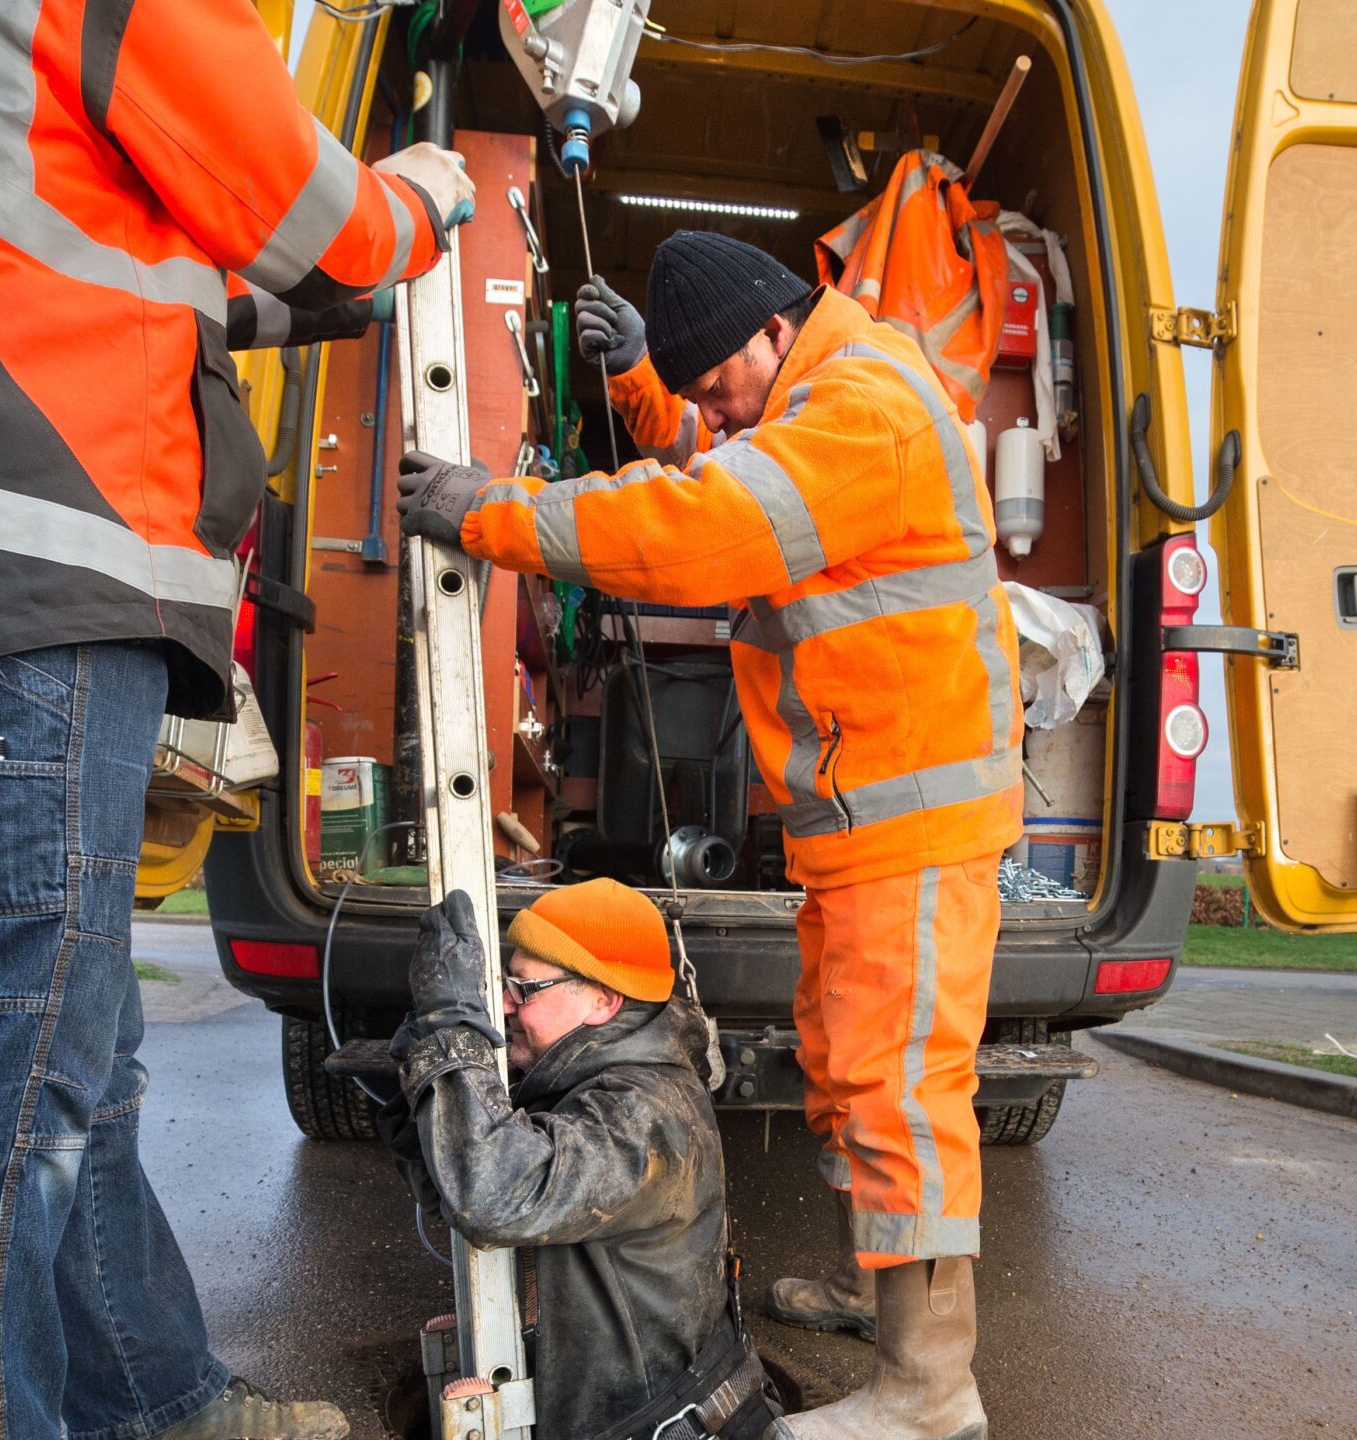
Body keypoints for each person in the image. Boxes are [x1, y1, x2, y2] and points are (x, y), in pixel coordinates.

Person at [0, 2, 475, 1436]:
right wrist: (429, 194)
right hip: (46, 567)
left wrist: (308, 285)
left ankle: (156, 1401)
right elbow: (328, 221)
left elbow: (154, 278)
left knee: (77, 1051)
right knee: (23, 1057)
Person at [398, 230, 1018, 1440]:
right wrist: (640, 385)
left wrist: (500, 516)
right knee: (849, 1070)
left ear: (771, 332)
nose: (708, 411)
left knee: (898, 1090)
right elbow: (721, 456)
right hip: (866, 820)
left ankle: (930, 1392)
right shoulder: (823, 389)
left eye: (715, 384)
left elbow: (706, 521)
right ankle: (883, 1295)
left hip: (914, 823)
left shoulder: (866, 405)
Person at [377, 883, 782, 1440]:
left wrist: (452, 1028)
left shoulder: (644, 1115)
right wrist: (421, 1058)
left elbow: (493, 1197)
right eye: (506, 985)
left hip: (644, 1424)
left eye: (527, 988)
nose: (507, 1005)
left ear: (603, 1001)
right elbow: (452, 1188)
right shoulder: (588, 1078)